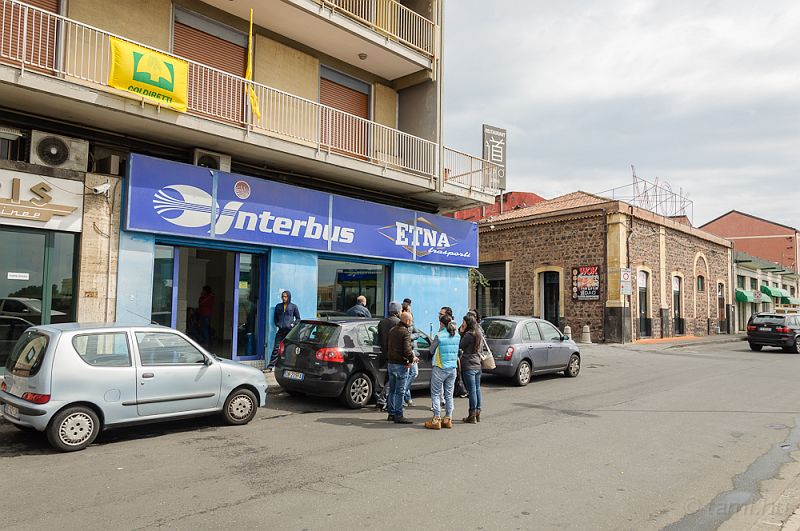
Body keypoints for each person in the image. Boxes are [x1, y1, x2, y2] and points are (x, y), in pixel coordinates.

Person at [424, 314, 461, 430]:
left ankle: (436, 418)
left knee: (436, 393)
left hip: (440, 367)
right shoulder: (457, 336)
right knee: (449, 394)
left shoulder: (439, 336)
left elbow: (431, 350)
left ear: (441, 324)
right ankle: (448, 418)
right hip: (452, 368)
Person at [386, 312, 417, 424]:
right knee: (400, 391)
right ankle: (399, 415)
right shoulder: (405, 332)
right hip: (401, 364)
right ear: (407, 321)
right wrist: (411, 359)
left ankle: (391, 413)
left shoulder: (392, 330)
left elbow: (388, 346)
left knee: (392, 390)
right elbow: (407, 350)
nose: (411, 323)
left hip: (391, 363)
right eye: (411, 321)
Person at [375, 301, 402, 410]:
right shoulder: (398, 323)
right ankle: (383, 400)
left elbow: (379, 338)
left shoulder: (382, 322)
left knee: (388, 378)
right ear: (398, 311)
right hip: (394, 354)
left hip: (383, 353)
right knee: (393, 380)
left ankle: (385, 401)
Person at [267, 290, 301, 372]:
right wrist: (278, 324)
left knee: (289, 349)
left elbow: (298, 318)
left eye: (285, 296)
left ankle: (290, 367)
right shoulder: (278, 306)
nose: (284, 298)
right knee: (276, 348)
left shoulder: (293, 306)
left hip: (290, 332)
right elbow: (275, 318)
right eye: (282, 296)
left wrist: (293, 324)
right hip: (281, 331)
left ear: (288, 297)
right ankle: (270, 366)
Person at [459, 314, 483, 423]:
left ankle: (472, 414)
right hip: (477, 363)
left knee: (471, 390)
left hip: (469, 364)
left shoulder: (469, 334)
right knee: (477, 389)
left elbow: (461, 345)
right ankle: (478, 411)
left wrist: (461, 332)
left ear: (467, 323)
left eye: (464, 322)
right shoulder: (478, 332)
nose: (462, 324)